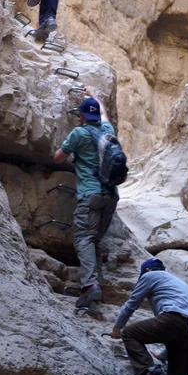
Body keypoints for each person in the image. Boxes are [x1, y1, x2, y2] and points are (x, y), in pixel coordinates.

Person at [54, 86, 119, 309]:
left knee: (84, 239)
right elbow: (104, 113)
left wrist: (75, 155)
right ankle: (96, 288)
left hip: (90, 195)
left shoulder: (79, 133)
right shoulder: (108, 129)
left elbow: (58, 158)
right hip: (111, 195)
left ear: (81, 116)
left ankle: (90, 287)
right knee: (94, 241)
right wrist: (94, 94)